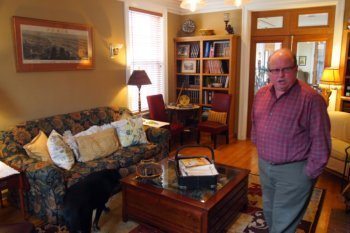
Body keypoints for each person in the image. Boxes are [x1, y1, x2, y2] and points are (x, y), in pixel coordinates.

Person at [251, 48, 331, 233]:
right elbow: (255, 123)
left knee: (284, 222)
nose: (280, 75)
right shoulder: (261, 94)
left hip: (294, 171)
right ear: (268, 72)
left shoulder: (312, 99)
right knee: (270, 212)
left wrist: (307, 175)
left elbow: (322, 142)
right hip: (265, 167)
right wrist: (260, 150)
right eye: (274, 70)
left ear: (295, 69)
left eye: (286, 69)